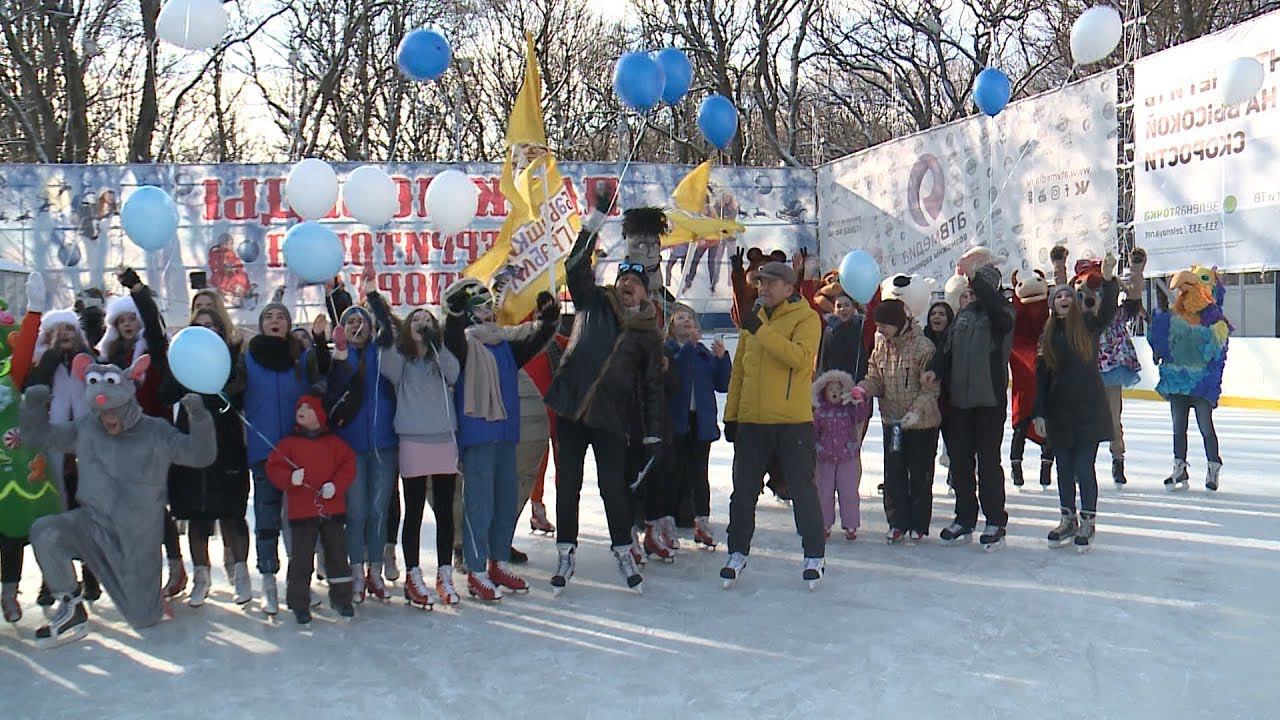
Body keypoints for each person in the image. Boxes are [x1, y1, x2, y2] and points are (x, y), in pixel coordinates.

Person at [21, 355, 216, 646]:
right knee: (45, 531)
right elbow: (41, 438)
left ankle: (146, 599)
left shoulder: (155, 432)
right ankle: (71, 606)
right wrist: (34, 407)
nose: (108, 418)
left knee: (144, 619)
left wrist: (199, 418)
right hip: (91, 526)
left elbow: (200, 455)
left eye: (115, 411)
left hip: (135, 543)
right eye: (102, 412)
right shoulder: (86, 428)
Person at [542, 201, 665, 595]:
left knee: (613, 485)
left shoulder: (647, 333)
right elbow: (575, 265)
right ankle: (567, 549)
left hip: (612, 417)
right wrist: (593, 221)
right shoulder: (593, 301)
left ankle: (622, 548)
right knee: (569, 484)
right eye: (623, 278)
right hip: (572, 407)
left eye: (636, 281)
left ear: (645, 291)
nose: (627, 285)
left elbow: (651, 388)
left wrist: (652, 434)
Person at [443, 279, 558, 601]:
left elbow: (535, 340)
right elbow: (450, 330)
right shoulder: (463, 344)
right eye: (479, 306)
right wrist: (453, 307)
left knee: (505, 501)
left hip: (507, 433)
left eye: (489, 305)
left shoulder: (504, 344)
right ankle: (477, 570)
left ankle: (498, 562)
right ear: (468, 314)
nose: (488, 311)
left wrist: (548, 320)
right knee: (479, 504)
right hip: (478, 435)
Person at [720, 261, 826, 590]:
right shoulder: (755, 320)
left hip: (792, 423)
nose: (762, 288)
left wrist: (759, 330)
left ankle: (814, 555)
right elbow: (740, 371)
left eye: (769, 283)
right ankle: (737, 551)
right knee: (743, 493)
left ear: (789, 287)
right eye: (760, 283)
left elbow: (799, 359)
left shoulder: (807, 319)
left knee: (802, 490)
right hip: (752, 422)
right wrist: (732, 415)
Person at [100, 269, 188, 597]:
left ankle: (175, 565)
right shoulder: (109, 359)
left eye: (131, 318)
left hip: (153, 435)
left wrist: (138, 291)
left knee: (153, 503)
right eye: (121, 319)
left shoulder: (153, 350)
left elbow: (153, 321)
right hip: (120, 439)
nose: (127, 324)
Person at [158, 306, 253, 608]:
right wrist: (178, 369)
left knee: (231, 512)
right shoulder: (182, 362)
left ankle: (240, 573)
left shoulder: (232, 359)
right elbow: (165, 395)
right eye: (199, 327)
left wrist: (227, 381)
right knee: (197, 514)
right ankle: (202, 577)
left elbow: (242, 395)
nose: (206, 331)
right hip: (191, 443)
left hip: (227, 443)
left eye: (211, 326)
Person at [927, 248, 1014, 550]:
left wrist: (977, 278)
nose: (971, 293)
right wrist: (933, 369)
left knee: (988, 462)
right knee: (960, 462)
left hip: (989, 401)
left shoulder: (1001, 314)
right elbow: (946, 350)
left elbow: (994, 305)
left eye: (977, 287)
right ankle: (964, 517)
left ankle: (995, 520)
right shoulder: (963, 316)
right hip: (960, 403)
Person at [1032, 253, 1120, 552]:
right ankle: (1067, 518)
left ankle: (1088, 520)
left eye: (1069, 295)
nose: (1064, 299)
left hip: (1089, 411)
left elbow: (1108, 310)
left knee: (1085, 467)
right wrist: (1039, 413)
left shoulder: (1087, 325)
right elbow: (1041, 379)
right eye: (1059, 297)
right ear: (1053, 304)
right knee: (1064, 470)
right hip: (1059, 413)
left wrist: (1108, 280)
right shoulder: (1046, 337)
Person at [379, 307, 461, 608]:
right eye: (416, 320)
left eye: (427, 320)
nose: (422, 324)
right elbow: (388, 366)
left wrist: (436, 347)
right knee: (413, 510)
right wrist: (387, 337)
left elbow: (453, 373)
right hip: (413, 440)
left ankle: (444, 573)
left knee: (443, 509)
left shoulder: (440, 355)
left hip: (443, 440)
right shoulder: (401, 358)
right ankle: (413, 575)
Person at [324, 271, 398, 602]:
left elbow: (388, 326)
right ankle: (356, 571)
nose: (357, 326)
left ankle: (376, 571)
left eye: (362, 321)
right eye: (350, 321)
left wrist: (372, 296)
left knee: (378, 510)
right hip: (350, 448)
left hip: (384, 444)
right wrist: (339, 357)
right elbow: (331, 394)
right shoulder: (339, 356)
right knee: (355, 512)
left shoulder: (382, 351)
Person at [241, 301, 315, 615]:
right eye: (269, 317)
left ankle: (299, 584)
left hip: (298, 450)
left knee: (299, 521)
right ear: (261, 325)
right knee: (267, 517)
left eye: (281, 317)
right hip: (264, 449)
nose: (275, 321)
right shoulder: (248, 358)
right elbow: (234, 391)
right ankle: (268, 580)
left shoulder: (301, 358)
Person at [1053, 246, 1146, 485]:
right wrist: (1059, 268)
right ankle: (1082, 464)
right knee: (1079, 418)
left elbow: (1134, 300)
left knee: (1113, 419)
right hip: (1082, 372)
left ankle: (1118, 460)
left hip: (1112, 370)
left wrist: (1136, 271)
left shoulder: (1113, 314)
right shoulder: (1073, 318)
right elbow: (1061, 294)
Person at [266, 393, 357, 624]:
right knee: (302, 558)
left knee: (337, 554)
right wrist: (290, 478)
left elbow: (348, 465)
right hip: (301, 511)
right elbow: (273, 468)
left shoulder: (335, 444)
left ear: (319, 414)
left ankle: (342, 598)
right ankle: (298, 602)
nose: (302, 410)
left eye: (308, 407)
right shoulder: (288, 444)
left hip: (332, 510)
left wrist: (335, 486)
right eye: (299, 407)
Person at [857, 299, 942, 543]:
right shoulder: (881, 344)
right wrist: (862, 390)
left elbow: (931, 390)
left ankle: (918, 523)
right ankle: (896, 522)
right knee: (893, 473)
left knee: (919, 473)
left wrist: (915, 412)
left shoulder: (923, 348)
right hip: (893, 423)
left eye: (884, 325)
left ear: (897, 323)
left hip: (921, 424)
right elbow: (875, 377)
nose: (880, 329)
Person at [0, 274, 59, 623]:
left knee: (14, 533)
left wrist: (35, 311)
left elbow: (23, 350)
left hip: (17, 468)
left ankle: (11, 593)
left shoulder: (9, 373)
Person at [1148, 264, 1231, 491]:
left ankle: (1213, 466)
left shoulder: (1216, 323)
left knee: (1206, 426)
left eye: (1201, 279)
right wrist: (1160, 326)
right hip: (1177, 381)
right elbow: (1161, 344)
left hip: (1202, 383)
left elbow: (1212, 350)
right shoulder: (1173, 317)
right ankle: (1179, 467)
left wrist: (1180, 328)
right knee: (1178, 427)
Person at [664, 306, 731, 549]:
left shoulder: (704, 354)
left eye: (690, 318)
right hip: (676, 421)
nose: (686, 321)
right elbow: (675, 375)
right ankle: (668, 522)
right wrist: (690, 348)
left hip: (700, 422)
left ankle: (702, 520)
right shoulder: (669, 351)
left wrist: (723, 359)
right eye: (681, 318)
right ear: (672, 327)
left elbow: (722, 384)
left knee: (699, 474)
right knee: (672, 472)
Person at [810, 370, 872, 541]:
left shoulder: (849, 410)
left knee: (849, 492)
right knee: (824, 492)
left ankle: (851, 524)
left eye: (838, 389)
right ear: (824, 392)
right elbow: (813, 432)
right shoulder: (820, 412)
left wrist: (860, 400)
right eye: (831, 390)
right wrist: (816, 447)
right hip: (826, 459)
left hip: (847, 457)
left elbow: (861, 415)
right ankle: (824, 523)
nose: (835, 393)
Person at [1008, 269, 1053, 490]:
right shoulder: (1017, 320)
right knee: (1021, 426)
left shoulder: (1049, 318)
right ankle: (1017, 468)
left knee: (1048, 426)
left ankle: (1046, 469)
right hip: (1023, 383)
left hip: (1044, 383)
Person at [922, 300, 955, 492]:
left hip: (950, 403)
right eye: (934, 313)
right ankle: (924, 487)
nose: (937, 317)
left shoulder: (955, 339)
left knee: (955, 448)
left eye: (942, 314)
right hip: (928, 404)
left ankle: (955, 479)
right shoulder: (923, 340)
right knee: (926, 451)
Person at [816, 292, 869, 381]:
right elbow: (823, 359)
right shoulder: (829, 331)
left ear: (853, 308)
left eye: (847, 305)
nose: (842, 309)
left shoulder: (861, 328)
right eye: (839, 306)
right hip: (833, 384)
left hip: (856, 381)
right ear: (834, 310)